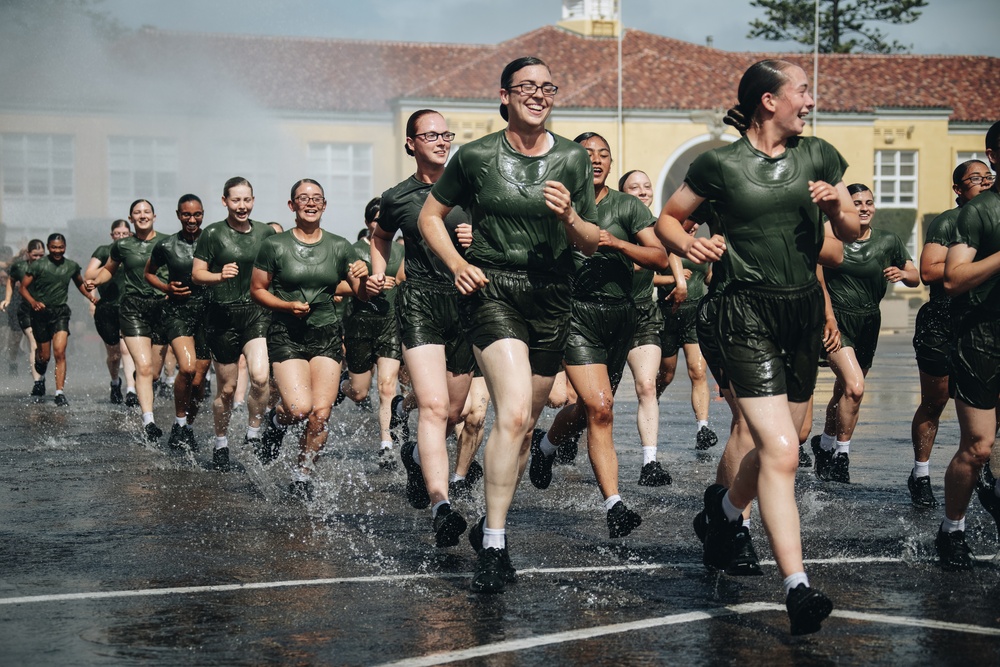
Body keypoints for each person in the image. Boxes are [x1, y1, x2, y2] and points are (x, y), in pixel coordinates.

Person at [654, 59, 859, 635]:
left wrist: (835, 206)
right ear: (769, 101)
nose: (810, 100)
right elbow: (669, 219)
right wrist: (690, 248)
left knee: (787, 440)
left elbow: (849, 234)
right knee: (782, 449)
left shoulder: (817, 154)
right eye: (802, 90)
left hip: (799, 310)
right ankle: (797, 586)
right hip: (743, 310)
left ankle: (720, 514)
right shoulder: (719, 163)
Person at [419, 56, 601, 592]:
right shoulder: (475, 156)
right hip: (493, 289)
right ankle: (496, 544)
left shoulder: (572, 158)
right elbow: (431, 216)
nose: (539, 95)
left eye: (548, 87)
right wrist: (458, 264)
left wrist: (570, 217)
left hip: (552, 296)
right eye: (527, 87)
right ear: (505, 96)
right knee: (516, 411)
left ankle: (487, 522)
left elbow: (590, 240)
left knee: (520, 432)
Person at [529, 132, 667, 538]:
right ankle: (615, 505)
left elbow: (658, 255)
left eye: (604, 154)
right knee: (603, 408)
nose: (597, 160)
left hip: (620, 316)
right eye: (587, 154)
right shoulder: (556, 204)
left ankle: (547, 447)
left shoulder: (626, 206)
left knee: (592, 411)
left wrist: (617, 243)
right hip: (575, 314)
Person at [369, 109, 475, 549]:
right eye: (429, 134)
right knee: (431, 407)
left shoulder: (472, 187)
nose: (440, 140)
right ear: (411, 143)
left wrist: (477, 240)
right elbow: (380, 236)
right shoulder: (398, 196)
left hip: (466, 304)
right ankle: (441, 506)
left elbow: (500, 237)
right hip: (421, 303)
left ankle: (414, 456)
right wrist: (379, 273)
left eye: (445, 134)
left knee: (453, 413)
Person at [251, 179, 368, 500]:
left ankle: (302, 474)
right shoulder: (275, 246)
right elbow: (258, 289)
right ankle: (276, 421)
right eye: (303, 198)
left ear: (325, 205)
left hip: (326, 334)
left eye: (317, 198)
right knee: (299, 408)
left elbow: (360, 293)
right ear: (292, 206)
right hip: (287, 334)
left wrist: (362, 277)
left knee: (320, 414)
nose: (310, 202)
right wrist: (287, 305)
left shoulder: (340, 245)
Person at [812, 183, 918, 483]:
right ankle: (842, 455)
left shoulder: (888, 240)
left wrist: (903, 274)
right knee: (855, 387)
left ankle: (826, 443)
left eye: (869, 202)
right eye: (857, 202)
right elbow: (817, 278)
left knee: (844, 390)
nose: (864, 208)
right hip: (836, 322)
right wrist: (827, 317)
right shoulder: (831, 237)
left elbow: (915, 274)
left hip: (869, 321)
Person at [909, 160, 994, 508]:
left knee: (986, 408)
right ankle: (921, 472)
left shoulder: (993, 216)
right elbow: (929, 271)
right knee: (935, 401)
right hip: (942, 320)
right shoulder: (949, 220)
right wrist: (972, 263)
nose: (984, 183)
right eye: (975, 179)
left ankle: (984, 469)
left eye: (988, 176)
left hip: (982, 321)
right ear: (958, 190)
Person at [936, 120, 1000, 570]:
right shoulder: (978, 212)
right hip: (981, 335)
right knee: (978, 446)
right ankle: (952, 528)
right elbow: (953, 278)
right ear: (994, 156)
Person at [192, 177, 275, 471]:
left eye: (247, 200)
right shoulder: (212, 234)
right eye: (236, 200)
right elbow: (197, 274)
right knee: (227, 390)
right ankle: (221, 442)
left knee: (261, 377)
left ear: (253, 200)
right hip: (222, 316)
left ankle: (253, 434)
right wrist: (218, 276)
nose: (242, 206)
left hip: (255, 313)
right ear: (225, 201)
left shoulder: (265, 232)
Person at [89, 200, 169, 438]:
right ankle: (148, 421)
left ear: (154, 216)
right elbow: (108, 270)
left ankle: (142, 384)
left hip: (161, 308)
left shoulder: (167, 242)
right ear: (131, 217)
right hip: (133, 307)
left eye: (146, 212)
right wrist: (96, 281)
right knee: (143, 367)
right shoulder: (122, 246)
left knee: (153, 372)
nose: (142, 215)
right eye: (137, 212)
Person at [339, 196, 407, 469]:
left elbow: (404, 281)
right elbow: (337, 287)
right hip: (360, 323)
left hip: (390, 322)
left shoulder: (400, 251)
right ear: (369, 222)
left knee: (387, 386)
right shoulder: (351, 250)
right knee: (359, 392)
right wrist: (366, 284)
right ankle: (340, 386)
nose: (383, 223)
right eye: (379, 219)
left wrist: (396, 283)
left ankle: (386, 445)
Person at [617, 169, 673, 484]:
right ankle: (552, 443)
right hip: (606, 315)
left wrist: (677, 278)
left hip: (644, 314)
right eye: (634, 187)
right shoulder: (611, 222)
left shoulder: (657, 227)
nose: (642, 191)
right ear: (621, 193)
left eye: (646, 186)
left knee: (647, 386)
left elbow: (667, 255)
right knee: (588, 403)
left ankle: (649, 463)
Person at [145, 194, 213, 449]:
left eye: (197, 215)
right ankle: (179, 420)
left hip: (207, 314)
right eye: (186, 214)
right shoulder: (166, 245)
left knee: (198, 381)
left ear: (203, 214)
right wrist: (166, 287)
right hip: (178, 312)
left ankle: (187, 427)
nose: (192, 220)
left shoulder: (213, 241)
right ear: (178, 215)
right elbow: (148, 273)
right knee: (186, 368)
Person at [655, 221, 718, 452]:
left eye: (695, 224)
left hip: (694, 316)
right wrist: (672, 279)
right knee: (667, 375)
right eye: (688, 223)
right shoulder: (662, 245)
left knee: (698, 371)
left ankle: (703, 428)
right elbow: (646, 278)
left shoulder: (702, 248)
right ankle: (652, 399)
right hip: (668, 315)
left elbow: (708, 277)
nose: (692, 227)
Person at [19, 233, 96, 405]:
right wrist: (33, 302)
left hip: (60, 313)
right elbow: (23, 288)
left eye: (61, 247)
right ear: (48, 247)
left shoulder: (71, 266)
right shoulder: (39, 266)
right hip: (40, 314)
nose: (57, 251)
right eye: (54, 247)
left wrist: (91, 297)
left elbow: (80, 284)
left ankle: (59, 393)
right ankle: (40, 363)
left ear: (65, 247)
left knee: (60, 352)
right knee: (45, 357)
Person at [85, 220, 137, 406]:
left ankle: (131, 390)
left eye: (124, 233)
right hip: (107, 308)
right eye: (117, 233)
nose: (121, 237)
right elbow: (89, 275)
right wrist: (111, 263)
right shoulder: (103, 251)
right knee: (114, 355)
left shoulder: (135, 249)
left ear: (130, 234)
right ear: (112, 235)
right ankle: (115, 382)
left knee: (126, 349)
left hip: (128, 306)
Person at [1, 240, 45, 392]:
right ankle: (15, 363)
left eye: (41, 255)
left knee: (38, 344)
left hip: (41, 308)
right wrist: (7, 299)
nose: (38, 258)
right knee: (17, 339)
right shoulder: (18, 265)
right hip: (20, 305)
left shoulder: (48, 266)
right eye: (35, 255)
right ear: (27, 254)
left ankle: (38, 373)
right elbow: (9, 280)